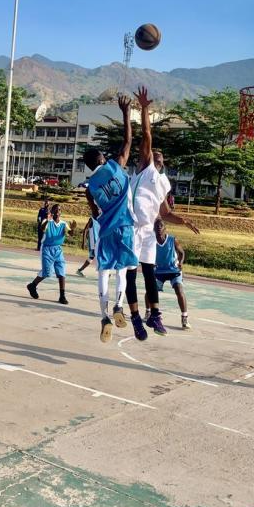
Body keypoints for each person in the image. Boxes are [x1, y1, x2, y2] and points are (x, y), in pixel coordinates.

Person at [127, 86, 200, 336]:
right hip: (131, 226)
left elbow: (165, 212)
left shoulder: (164, 183)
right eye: (152, 154)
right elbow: (147, 134)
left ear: (162, 163)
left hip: (147, 230)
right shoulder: (144, 169)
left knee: (148, 274)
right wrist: (145, 108)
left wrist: (185, 221)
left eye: (158, 157)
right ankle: (135, 317)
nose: (154, 156)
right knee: (129, 275)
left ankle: (154, 317)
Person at [83, 95, 139, 343]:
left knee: (103, 272)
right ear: (103, 159)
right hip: (126, 226)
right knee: (123, 272)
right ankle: (118, 306)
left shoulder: (89, 186)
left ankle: (104, 316)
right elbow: (128, 140)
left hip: (105, 231)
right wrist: (126, 113)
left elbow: (95, 214)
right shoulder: (116, 165)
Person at [27, 204, 76, 304]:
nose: (58, 210)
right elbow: (42, 229)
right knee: (47, 272)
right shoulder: (47, 221)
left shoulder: (63, 224)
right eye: (56, 209)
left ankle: (62, 296)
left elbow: (70, 233)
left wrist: (72, 230)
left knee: (61, 272)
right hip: (46, 249)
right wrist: (48, 220)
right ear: (52, 211)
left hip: (58, 250)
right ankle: (32, 285)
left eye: (59, 209)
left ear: (61, 212)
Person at [148, 219, 191, 330]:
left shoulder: (172, 240)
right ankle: (148, 312)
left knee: (179, 289)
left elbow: (182, 253)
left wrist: (180, 263)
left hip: (173, 270)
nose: (158, 227)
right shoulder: (151, 241)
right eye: (156, 226)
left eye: (161, 226)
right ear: (153, 228)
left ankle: (184, 318)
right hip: (159, 271)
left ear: (165, 228)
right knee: (151, 290)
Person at [76, 212, 100, 277]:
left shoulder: (100, 219)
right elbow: (85, 230)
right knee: (98, 256)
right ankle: (103, 272)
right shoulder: (92, 219)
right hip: (93, 243)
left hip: (98, 241)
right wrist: (83, 242)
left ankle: (80, 270)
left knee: (91, 257)